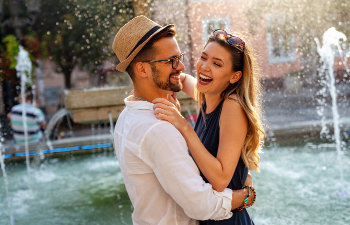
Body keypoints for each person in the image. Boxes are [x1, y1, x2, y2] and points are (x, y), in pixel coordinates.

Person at [112, 16, 255, 225]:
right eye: (203, 57)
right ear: (142, 69)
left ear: (234, 76)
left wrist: (165, 85)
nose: (181, 66)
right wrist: (247, 195)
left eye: (179, 57)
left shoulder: (126, 118)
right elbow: (202, 204)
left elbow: (182, 78)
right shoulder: (161, 127)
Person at [153, 29, 265, 224]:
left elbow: (221, 181)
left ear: (234, 77)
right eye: (203, 57)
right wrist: (163, 89)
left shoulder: (232, 106)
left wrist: (183, 126)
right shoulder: (207, 96)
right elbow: (184, 79)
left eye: (217, 64)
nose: (204, 67)